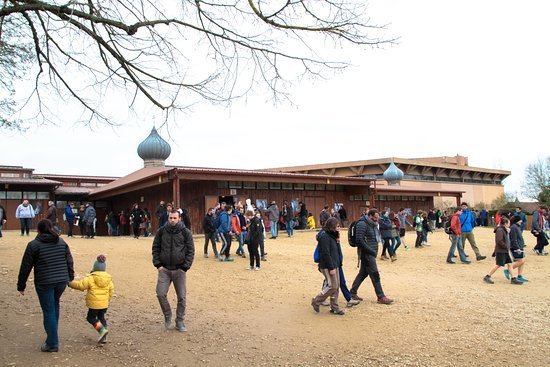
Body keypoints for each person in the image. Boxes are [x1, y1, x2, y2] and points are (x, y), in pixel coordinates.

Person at [17, 219, 75, 352]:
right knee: (54, 305)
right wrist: (70, 277)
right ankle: (53, 335)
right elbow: (69, 260)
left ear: (38, 229)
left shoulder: (33, 245)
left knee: (48, 310)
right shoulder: (61, 242)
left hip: (44, 282)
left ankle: (52, 343)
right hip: (61, 280)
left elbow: (25, 267)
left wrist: (21, 285)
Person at [152, 210, 195, 332]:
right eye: (170, 218)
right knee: (160, 293)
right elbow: (155, 247)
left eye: (175, 218)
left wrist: (185, 267)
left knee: (181, 297)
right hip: (164, 269)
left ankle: (180, 321)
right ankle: (167, 315)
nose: (172, 220)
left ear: (179, 218)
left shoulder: (186, 232)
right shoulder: (161, 231)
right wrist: (158, 265)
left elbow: (191, 251)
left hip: (179, 269)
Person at [349, 209, 394, 305]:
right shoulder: (362, 224)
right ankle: (381, 296)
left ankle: (352, 292)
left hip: (370, 252)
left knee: (363, 273)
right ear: (370, 216)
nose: (377, 220)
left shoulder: (371, 224)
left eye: (378, 218)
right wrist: (371, 251)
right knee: (375, 274)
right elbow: (359, 240)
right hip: (367, 254)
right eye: (375, 218)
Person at [69, 254, 114, 343]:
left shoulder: (90, 278)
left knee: (91, 318)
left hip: (94, 304)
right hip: (104, 304)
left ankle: (102, 331)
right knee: (101, 317)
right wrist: (107, 300)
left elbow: (81, 286)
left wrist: (70, 283)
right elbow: (111, 290)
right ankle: (103, 336)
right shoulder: (109, 279)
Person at [311, 217, 346, 315]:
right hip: (328, 265)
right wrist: (331, 267)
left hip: (335, 263)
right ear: (332, 227)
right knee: (333, 286)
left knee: (336, 286)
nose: (338, 228)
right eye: (337, 226)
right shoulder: (324, 236)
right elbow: (326, 253)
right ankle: (316, 300)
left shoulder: (333, 235)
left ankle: (334, 307)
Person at [483, 217, 523, 285]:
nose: (510, 224)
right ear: (505, 223)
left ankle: (513, 278)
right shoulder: (500, 230)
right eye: (509, 223)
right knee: (498, 264)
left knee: (509, 264)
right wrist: (506, 246)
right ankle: (487, 276)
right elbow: (499, 241)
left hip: (504, 250)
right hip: (501, 250)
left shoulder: (503, 230)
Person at [509, 215, 528, 282]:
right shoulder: (514, 227)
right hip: (516, 247)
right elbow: (513, 239)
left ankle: (520, 275)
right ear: (517, 220)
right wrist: (517, 248)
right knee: (521, 260)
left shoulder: (517, 227)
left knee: (522, 261)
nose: (521, 221)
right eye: (520, 220)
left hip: (519, 246)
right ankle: (509, 270)